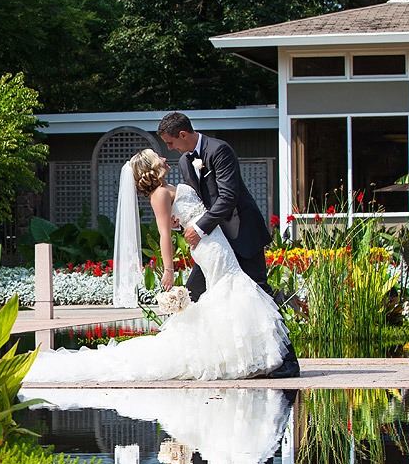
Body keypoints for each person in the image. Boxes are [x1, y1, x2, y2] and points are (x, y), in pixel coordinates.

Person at [25, 147, 291, 382]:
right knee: (231, 290)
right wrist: (169, 269)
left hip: (214, 240)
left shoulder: (169, 188)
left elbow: (182, 220)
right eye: (158, 156)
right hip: (210, 248)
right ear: (151, 167)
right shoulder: (160, 194)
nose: (164, 157)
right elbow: (164, 233)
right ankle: (237, 357)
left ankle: (238, 355)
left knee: (230, 292)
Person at [158, 111, 300, 379]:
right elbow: (198, 204)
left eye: (171, 142)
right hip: (214, 244)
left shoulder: (219, 150)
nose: (170, 148)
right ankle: (201, 361)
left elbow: (229, 196)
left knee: (260, 294)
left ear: (183, 135)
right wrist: (182, 224)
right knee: (193, 294)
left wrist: (199, 228)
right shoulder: (186, 162)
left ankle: (288, 362)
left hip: (241, 233)